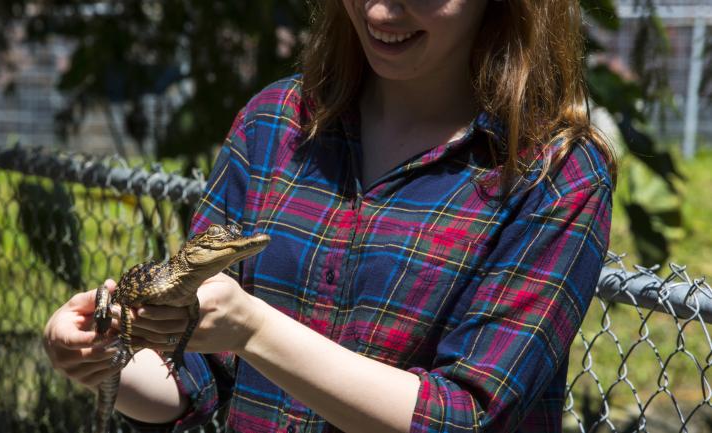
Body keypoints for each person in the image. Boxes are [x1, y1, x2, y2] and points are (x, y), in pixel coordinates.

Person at [42, 1, 615, 432]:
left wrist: (253, 330)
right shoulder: (274, 125)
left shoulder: (555, 175)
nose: (379, 10)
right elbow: (195, 377)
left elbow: (464, 416)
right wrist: (100, 355)